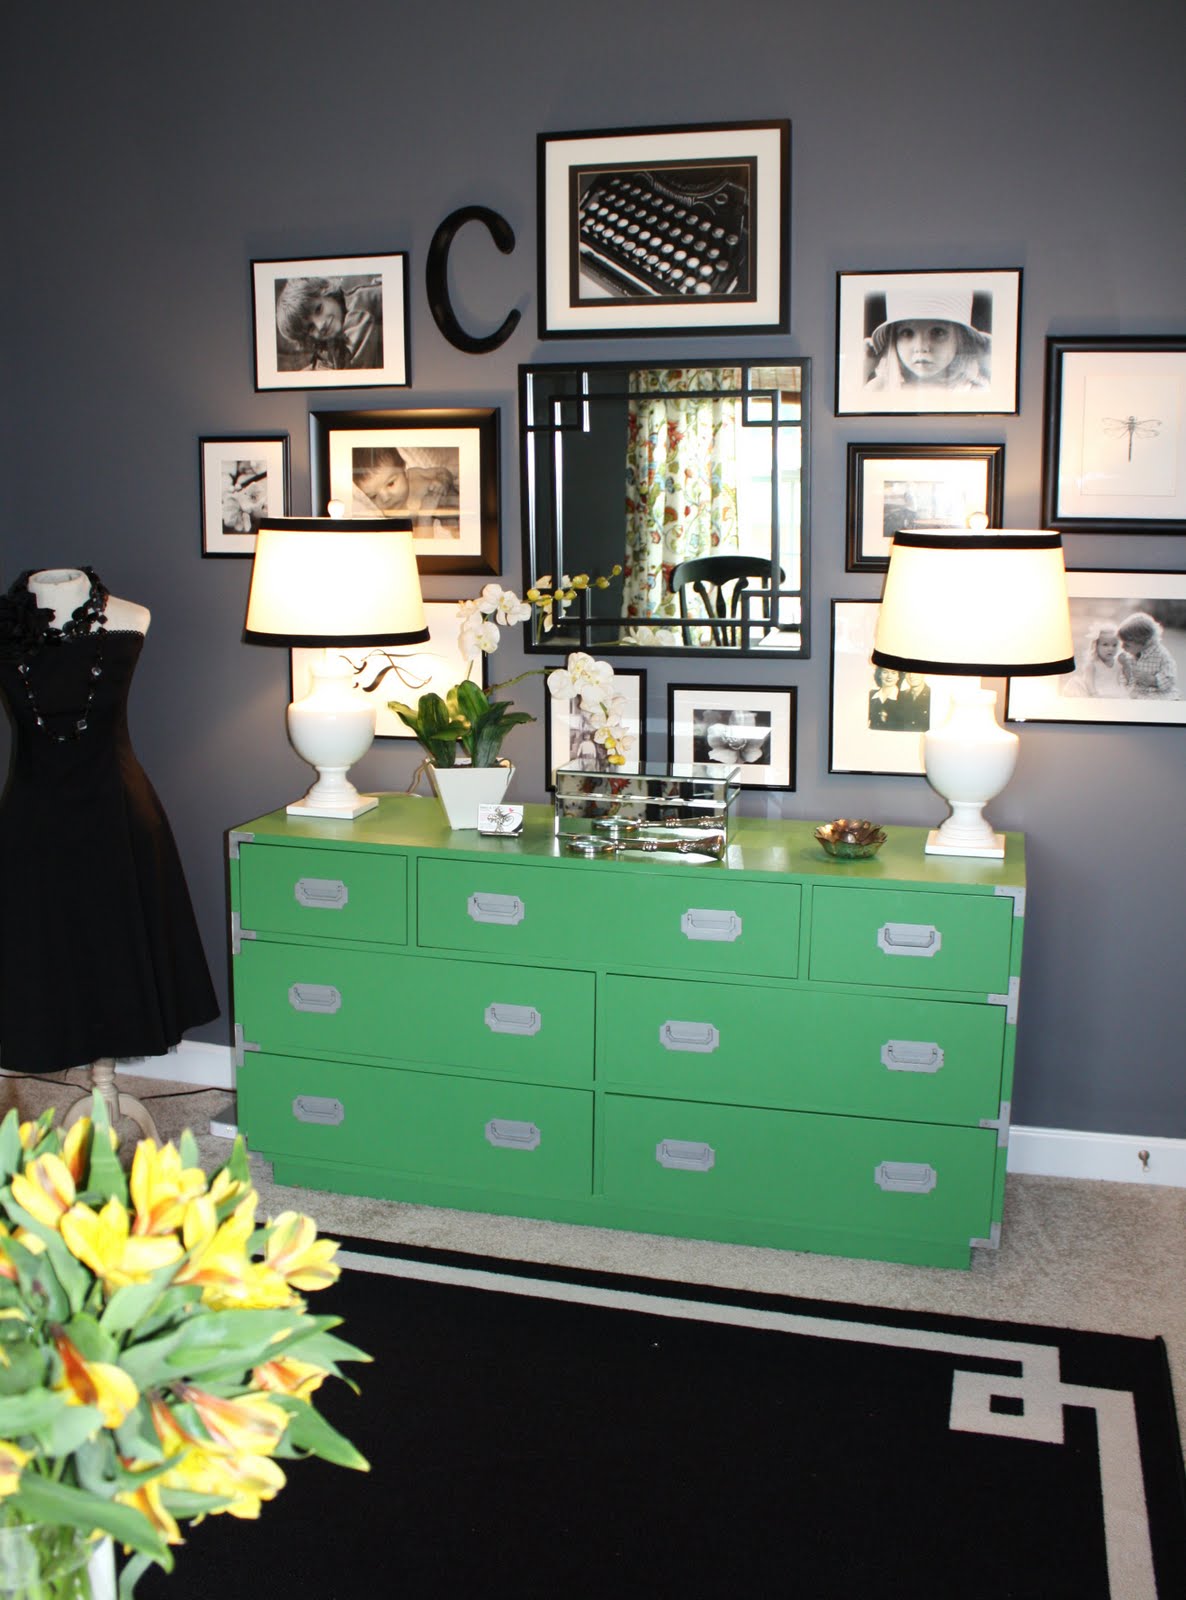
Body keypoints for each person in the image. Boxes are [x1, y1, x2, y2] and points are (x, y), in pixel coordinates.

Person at [0, 567, 219, 1080]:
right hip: (32, 819)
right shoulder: (8, 626)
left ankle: (108, 1084)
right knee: (45, 949)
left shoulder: (131, 618)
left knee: (119, 948)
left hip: (119, 815)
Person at [864, 287, 991, 392]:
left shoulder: (974, 391)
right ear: (894, 340)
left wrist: (988, 363)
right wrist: (865, 367)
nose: (921, 347)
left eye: (938, 332)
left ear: (961, 340)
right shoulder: (879, 389)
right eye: (907, 333)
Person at [274, 275, 383, 371]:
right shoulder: (332, 339)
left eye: (318, 309)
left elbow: (353, 370)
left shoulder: (360, 306)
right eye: (311, 327)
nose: (320, 325)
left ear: (328, 293)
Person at [351, 446, 459, 525]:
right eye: (374, 496)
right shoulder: (396, 519)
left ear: (403, 469)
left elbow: (443, 472)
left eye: (390, 483)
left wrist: (443, 482)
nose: (385, 498)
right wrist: (425, 516)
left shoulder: (416, 475)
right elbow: (420, 541)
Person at [1115, 611, 1179, 699]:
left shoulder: (1162, 655)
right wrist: (1125, 666)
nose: (1122, 647)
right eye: (1122, 643)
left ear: (1145, 643)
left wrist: (1152, 680)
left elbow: (1170, 679)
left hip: (1159, 695)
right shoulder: (1128, 655)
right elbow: (1126, 682)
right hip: (1138, 695)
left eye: (1127, 645)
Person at [1062, 623, 1127, 698]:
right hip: (1097, 691)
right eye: (1105, 645)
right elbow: (1089, 683)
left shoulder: (1118, 663)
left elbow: (1119, 681)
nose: (1111, 649)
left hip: (1113, 691)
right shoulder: (1092, 665)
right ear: (1096, 646)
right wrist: (1094, 694)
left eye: (1114, 645)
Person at [867, 665, 900, 729]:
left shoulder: (905, 697)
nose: (889, 676)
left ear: (898, 677)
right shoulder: (871, 695)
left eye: (893, 673)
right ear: (879, 675)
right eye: (885, 672)